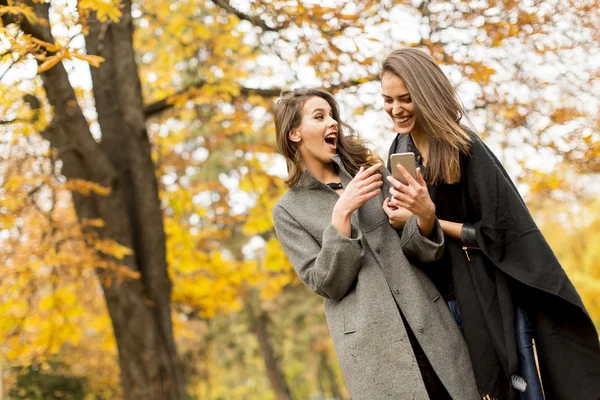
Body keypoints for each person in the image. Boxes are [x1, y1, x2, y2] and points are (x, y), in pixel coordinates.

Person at [380, 48, 600, 400]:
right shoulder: (398, 149)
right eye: (388, 100)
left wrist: (430, 216)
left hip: (492, 298)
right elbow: (417, 240)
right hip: (444, 307)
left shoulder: (463, 147)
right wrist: (402, 218)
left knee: (517, 388)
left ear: (426, 94)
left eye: (406, 99)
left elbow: (501, 234)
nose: (396, 109)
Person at [271, 88, 480, 399]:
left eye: (332, 116)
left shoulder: (373, 174)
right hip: (374, 353)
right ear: (294, 134)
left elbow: (424, 251)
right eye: (319, 117)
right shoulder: (288, 211)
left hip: (430, 327)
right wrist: (341, 216)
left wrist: (423, 216)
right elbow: (327, 284)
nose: (333, 123)